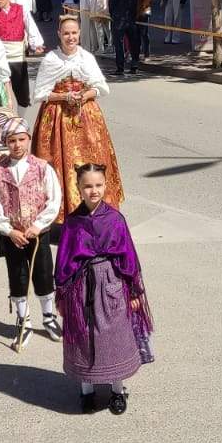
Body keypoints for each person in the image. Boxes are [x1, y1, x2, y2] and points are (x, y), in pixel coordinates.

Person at [56, 163, 154, 415]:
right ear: (77, 187)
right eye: (87, 186)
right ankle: (86, 390)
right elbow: (64, 260)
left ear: (105, 185)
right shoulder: (72, 222)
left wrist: (133, 291)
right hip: (80, 286)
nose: (93, 191)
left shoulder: (114, 219)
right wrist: (62, 294)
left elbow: (129, 257)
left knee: (113, 335)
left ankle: (117, 390)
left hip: (110, 282)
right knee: (84, 336)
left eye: (98, 185)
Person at [0, 116, 64, 349]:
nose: (17, 145)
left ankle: (48, 317)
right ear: (5, 142)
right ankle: (23, 319)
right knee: (17, 275)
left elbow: (53, 198)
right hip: (14, 235)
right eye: (11, 140)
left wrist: (39, 224)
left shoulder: (42, 168)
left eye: (21, 139)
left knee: (43, 273)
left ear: (28, 139)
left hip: (37, 233)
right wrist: (8, 230)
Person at [32, 16, 123, 218]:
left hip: (86, 118)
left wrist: (84, 95)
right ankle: (63, 214)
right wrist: (64, 96)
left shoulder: (86, 58)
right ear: (59, 35)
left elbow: (101, 88)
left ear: (79, 34)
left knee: (92, 162)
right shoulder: (51, 59)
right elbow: (40, 93)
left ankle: (97, 210)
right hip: (57, 118)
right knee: (57, 165)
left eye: (74, 33)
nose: (70, 37)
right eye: (66, 33)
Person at [0, 0, 44, 104]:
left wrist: (36, 44)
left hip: (18, 56)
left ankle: (21, 119)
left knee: (23, 96)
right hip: (0, 57)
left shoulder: (20, 9)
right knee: (2, 95)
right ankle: (6, 119)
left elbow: (31, 26)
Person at [109, 0, 141, 77]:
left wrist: (113, 15)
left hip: (119, 19)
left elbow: (111, 4)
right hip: (131, 18)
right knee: (133, 42)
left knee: (119, 43)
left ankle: (120, 67)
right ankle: (134, 65)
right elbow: (136, 2)